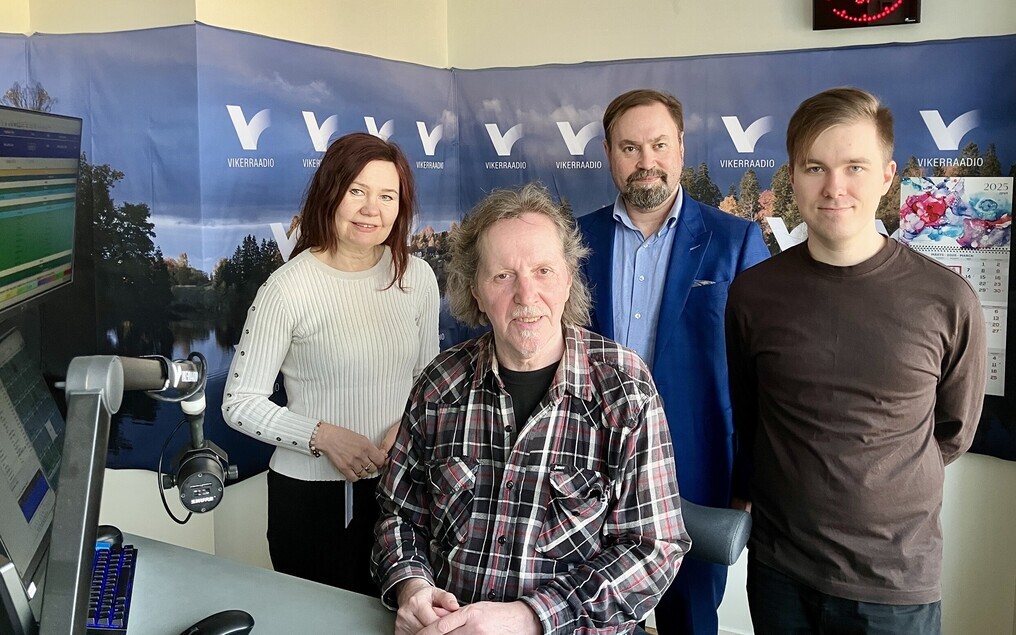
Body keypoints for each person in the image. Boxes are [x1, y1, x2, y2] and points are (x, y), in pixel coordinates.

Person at [372, 183, 689, 635]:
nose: (526, 294)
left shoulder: (624, 388)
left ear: (568, 279)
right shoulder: (439, 384)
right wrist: (412, 587)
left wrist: (531, 618)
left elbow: (653, 549)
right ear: (475, 290)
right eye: (503, 276)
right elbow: (399, 514)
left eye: (543, 271)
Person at [725, 87, 987, 634]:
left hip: (894, 585)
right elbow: (751, 416)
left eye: (855, 167)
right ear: (792, 177)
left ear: (887, 176)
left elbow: (953, 432)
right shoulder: (753, 295)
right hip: (780, 572)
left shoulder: (947, 300)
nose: (834, 187)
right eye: (815, 167)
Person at [578, 88, 769, 634]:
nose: (647, 161)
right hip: (586, 475)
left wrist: (747, 481)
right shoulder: (575, 240)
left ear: (681, 147)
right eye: (630, 147)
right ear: (609, 153)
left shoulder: (735, 241)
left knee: (691, 621)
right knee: (585, 616)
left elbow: (761, 379)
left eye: (659, 145)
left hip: (696, 475)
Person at [222, 132, 440, 595]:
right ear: (330, 192)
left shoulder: (417, 277)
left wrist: (406, 427)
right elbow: (239, 403)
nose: (371, 209)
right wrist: (322, 436)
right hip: (311, 502)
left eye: (387, 196)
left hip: (400, 491)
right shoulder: (288, 287)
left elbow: (427, 383)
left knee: (399, 620)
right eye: (357, 191)